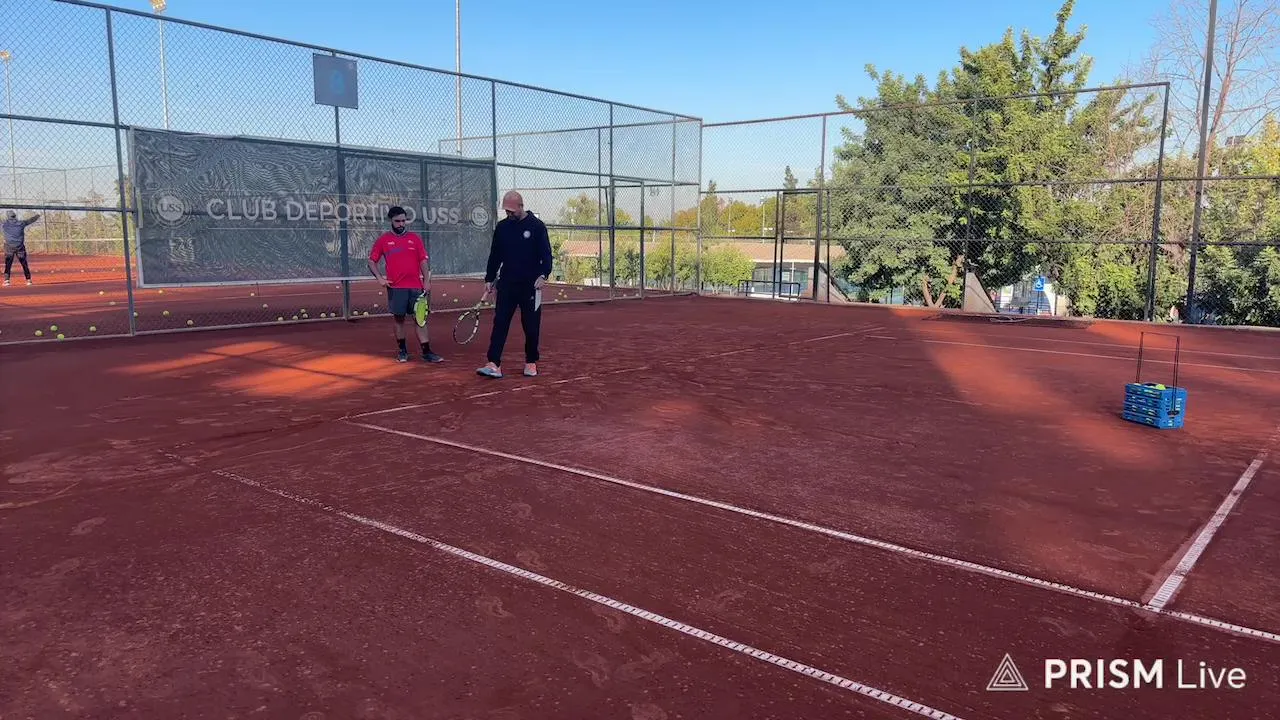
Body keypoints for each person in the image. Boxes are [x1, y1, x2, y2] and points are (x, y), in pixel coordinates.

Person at [476, 191, 552, 379]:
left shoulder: (537, 227)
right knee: (500, 323)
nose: (509, 214)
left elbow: (546, 255)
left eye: (511, 210)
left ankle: (531, 362)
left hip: (530, 286)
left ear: (521, 206)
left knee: (531, 326)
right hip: (507, 284)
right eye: (506, 211)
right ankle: (494, 363)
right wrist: (489, 279)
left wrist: (543, 275)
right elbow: (495, 255)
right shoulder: (502, 228)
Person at [368, 206, 443, 364]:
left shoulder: (415, 239)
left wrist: (426, 281)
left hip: (416, 287)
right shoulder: (383, 240)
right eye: (398, 221)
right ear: (391, 221)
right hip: (396, 288)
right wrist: (380, 278)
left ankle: (427, 352)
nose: (401, 224)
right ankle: (402, 351)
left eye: (403, 220)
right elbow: (371, 261)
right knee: (399, 320)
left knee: (420, 320)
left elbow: (423, 261)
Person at [3, 210, 39, 287]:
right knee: (24, 263)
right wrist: (38, 215)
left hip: (9, 247)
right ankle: (28, 280)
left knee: (8, 264)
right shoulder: (21, 223)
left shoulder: (4, 224)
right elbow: (30, 220)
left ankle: (7, 281)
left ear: (8, 217)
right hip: (20, 246)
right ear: (15, 216)